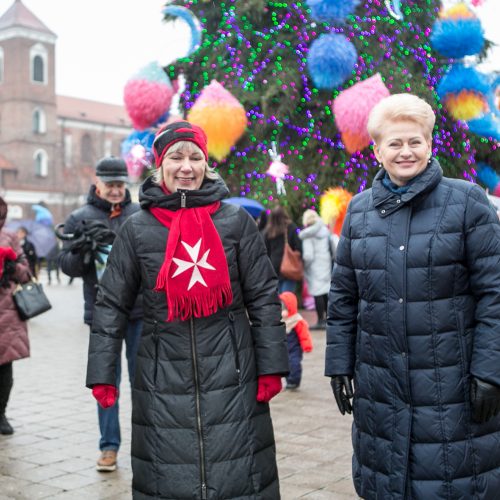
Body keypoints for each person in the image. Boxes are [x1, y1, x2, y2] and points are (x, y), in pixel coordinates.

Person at [85, 120, 289, 498]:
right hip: (162, 371)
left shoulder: (236, 223)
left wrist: (272, 365)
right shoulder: (136, 228)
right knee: (169, 476)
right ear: (160, 165)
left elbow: (262, 296)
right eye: (176, 157)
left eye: (196, 157)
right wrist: (103, 372)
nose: (186, 166)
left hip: (234, 368)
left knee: (239, 474)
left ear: (206, 166)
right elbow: (111, 303)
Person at [325, 93, 500, 499]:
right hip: (381, 386)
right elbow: (344, 295)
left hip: (453, 388)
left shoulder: (467, 202)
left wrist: (490, 371)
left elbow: (494, 293)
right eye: (395, 143)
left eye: (414, 141)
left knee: (453, 484)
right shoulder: (360, 210)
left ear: (429, 143)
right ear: (377, 151)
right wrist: (338, 363)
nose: (406, 151)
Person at [59, 156, 143, 472]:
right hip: (102, 314)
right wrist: (83, 249)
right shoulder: (79, 217)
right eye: (110, 185)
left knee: (142, 381)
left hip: (138, 311)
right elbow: (65, 264)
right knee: (106, 384)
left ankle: (147, 444)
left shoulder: (139, 214)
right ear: (97, 184)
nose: (116, 190)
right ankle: (109, 447)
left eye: (120, 185)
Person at [0, 197, 31, 435]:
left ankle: (0, 414)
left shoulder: (10, 236)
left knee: (4, 371)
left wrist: (12, 265)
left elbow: (26, 274)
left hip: (5, 314)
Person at [299, 209, 333, 330]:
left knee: (317, 293)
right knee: (326, 292)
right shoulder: (325, 231)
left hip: (314, 267)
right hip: (326, 264)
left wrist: (305, 267)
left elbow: (308, 256)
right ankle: (331, 319)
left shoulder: (307, 234)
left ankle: (320, 320)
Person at [263, 205, 302, 293]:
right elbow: (299, 247)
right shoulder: (291, 227)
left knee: (278, 299)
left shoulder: (268, 230)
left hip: (273, 268)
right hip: (289, 267)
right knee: (287, 298)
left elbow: (265, 251)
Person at [279, 291, 312, 390]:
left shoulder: (296, 320)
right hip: (283, 349)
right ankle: (289, 380)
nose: (282, 312)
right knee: (284, 365)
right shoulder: (280, 322)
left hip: (294, 349)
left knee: (294, 363)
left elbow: (304, 334)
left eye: (285, 309)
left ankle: (294, 381)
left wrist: (307, 345)